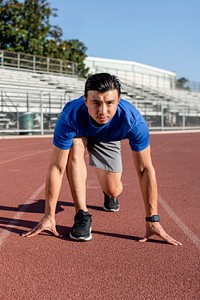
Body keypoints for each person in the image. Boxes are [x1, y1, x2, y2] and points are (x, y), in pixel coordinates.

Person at [22, 73, 182, 246]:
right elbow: (57, 167)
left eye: (110, 103)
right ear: (85, 100)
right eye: (96, 103)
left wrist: (153, 219)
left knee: (113, 189)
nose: (102, 111)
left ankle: (109, 195)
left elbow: (145, 169)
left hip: (109, 138)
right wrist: (48, 215)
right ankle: (82, 215)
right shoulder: (70, 116)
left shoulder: (133, 121)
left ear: (118, 100)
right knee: (74, 147)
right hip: (80, 132)